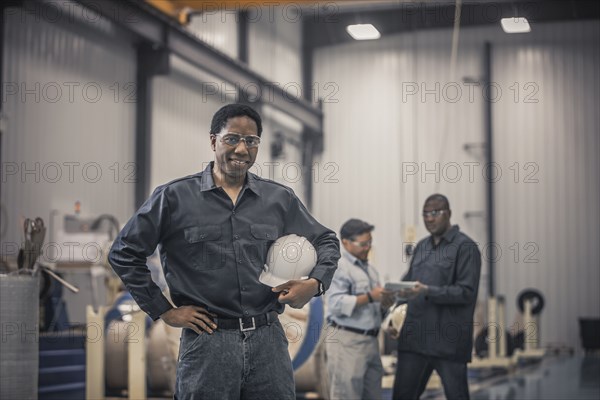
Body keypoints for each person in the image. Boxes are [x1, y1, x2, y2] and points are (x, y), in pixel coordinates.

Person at [108, 103, 340, 399]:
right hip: (207, 342)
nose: (242, 149)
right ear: (213, 140)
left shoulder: (279, 199)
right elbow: (124, 252)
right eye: (232, 138)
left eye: (251, 141)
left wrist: (315, 284)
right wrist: (164, 310)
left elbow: (326, 240)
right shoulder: (174, 197)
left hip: (268, 340)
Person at [392, 194, 481, 400]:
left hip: (448, 342)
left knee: (457, 395)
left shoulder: (465, 248)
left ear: (448, 214)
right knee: (402, 396)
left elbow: (466, 293)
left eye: (435, 213)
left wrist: (428, 291)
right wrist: (394, 295)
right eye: (425, 214)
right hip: (414, 340)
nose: (429, 218)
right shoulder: (422, 247)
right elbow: (408, 281)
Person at [325, 219, 393, 400]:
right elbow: (336, 304)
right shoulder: (338, 268)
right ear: (346, 242)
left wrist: (386, 303)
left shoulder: (370, 270)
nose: (368, 247)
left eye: (370, 242)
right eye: (363, 244)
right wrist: (371, 296)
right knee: (346, 395)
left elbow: (375, 304)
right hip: (347, 343)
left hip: (371, 342)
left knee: (373, 395)